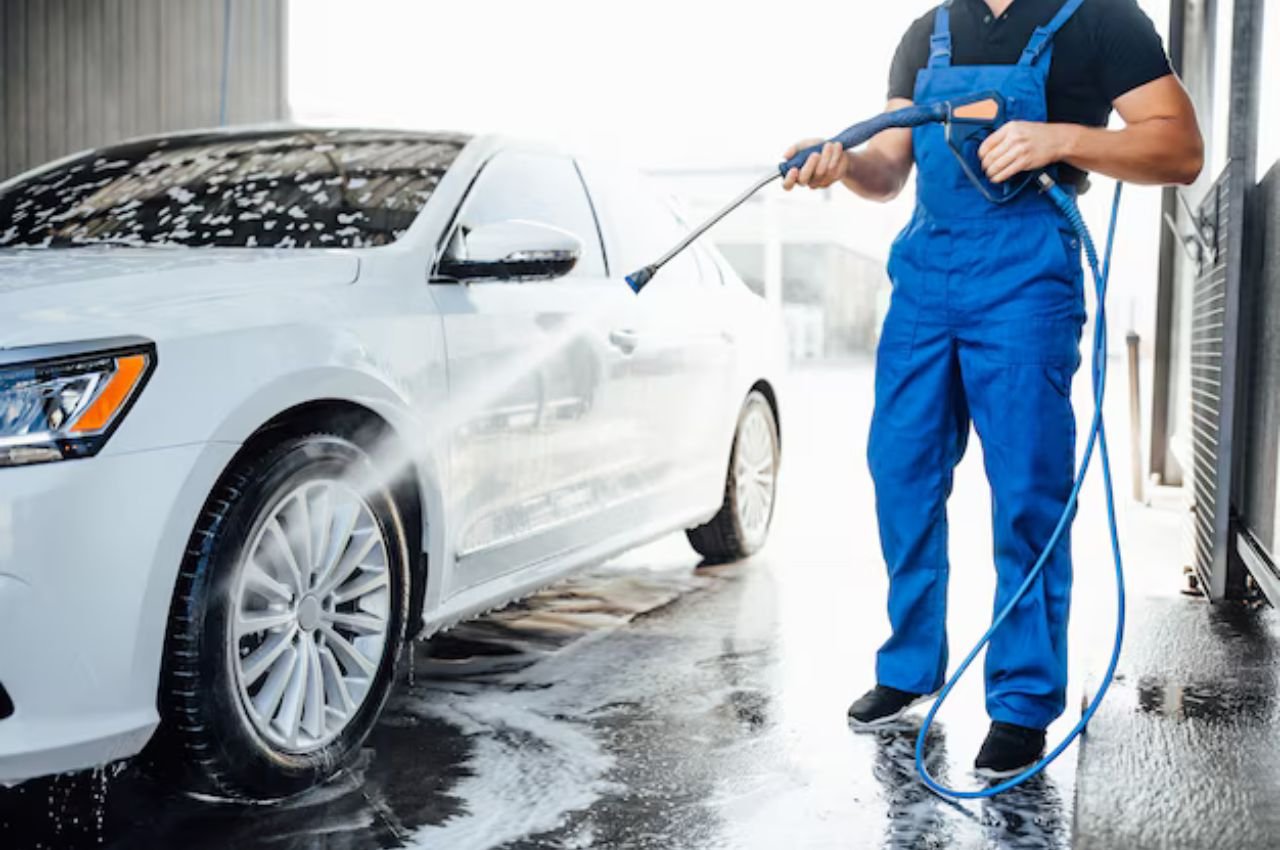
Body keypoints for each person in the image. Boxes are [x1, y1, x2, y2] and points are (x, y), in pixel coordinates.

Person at [783, 0, 1202, 778]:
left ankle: (1020, 701)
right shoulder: (927, 32)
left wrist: (1065, 138)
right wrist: (841, 164)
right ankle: (909, 666)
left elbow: (1180, 149)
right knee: (901, 474)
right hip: (924, 277)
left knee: (1027, 493)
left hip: (1025, 279)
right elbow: (887, 170)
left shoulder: (1102, 20)